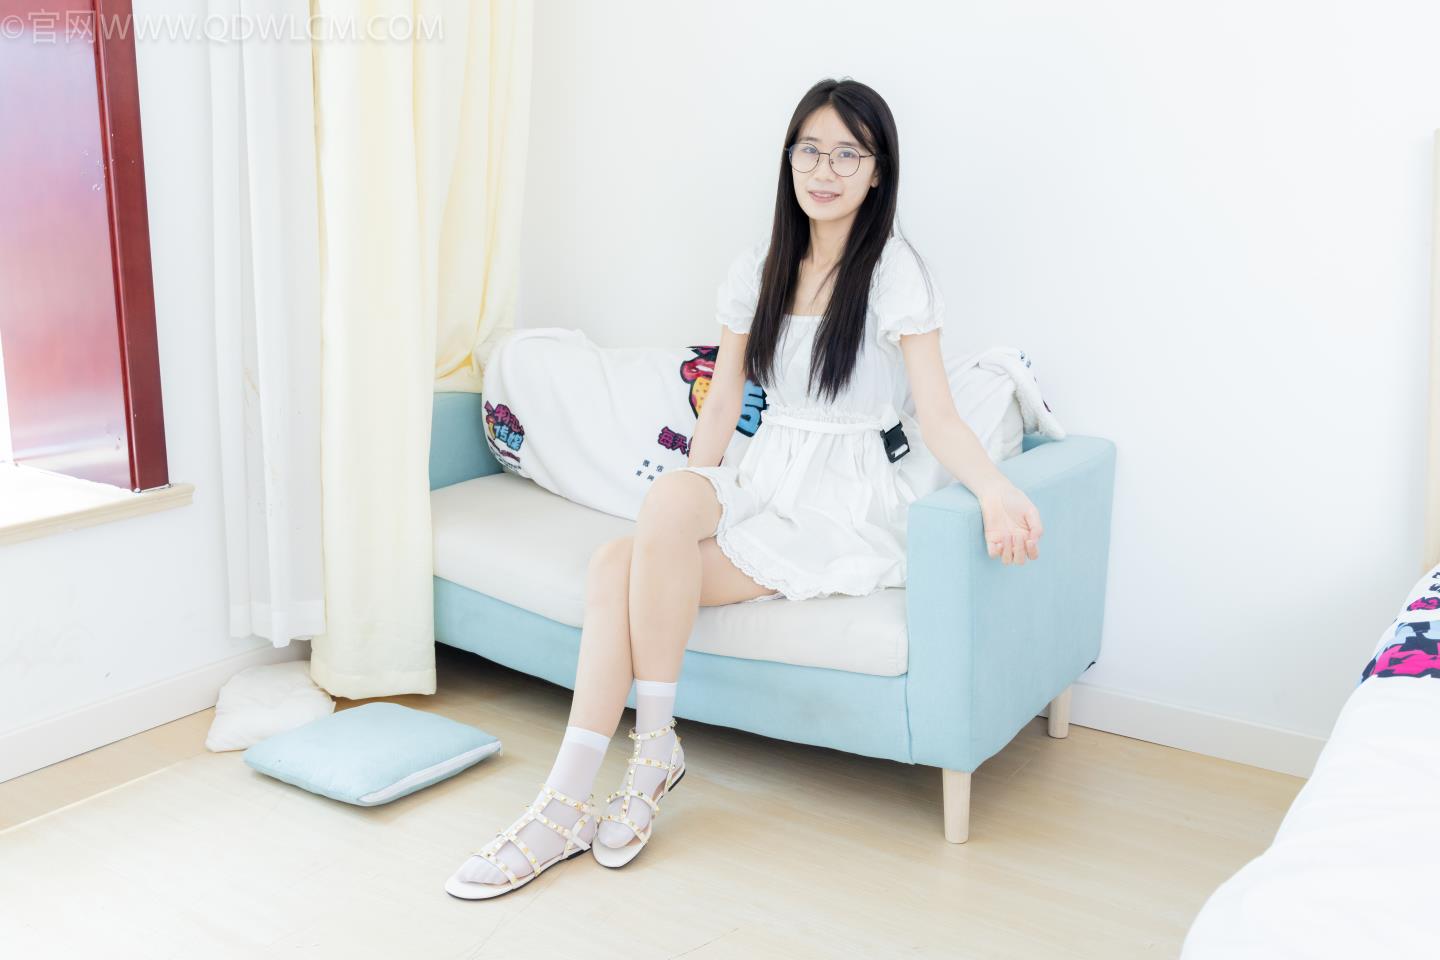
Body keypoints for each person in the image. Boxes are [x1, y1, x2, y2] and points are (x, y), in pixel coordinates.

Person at [445, 77, 1044, 900]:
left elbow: (937, 414)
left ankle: (582, 794)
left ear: (878, 171)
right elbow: (724, 400)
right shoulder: (758, 268)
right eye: (810, 150)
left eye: (848, 154)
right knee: (656, 516)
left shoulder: (895, 273)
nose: (824, 169)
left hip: (837, 499)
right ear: (788, 159)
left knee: (613, 568)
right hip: (762, 474)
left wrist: (995, 489)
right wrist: (698, 489)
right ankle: (631, 761)